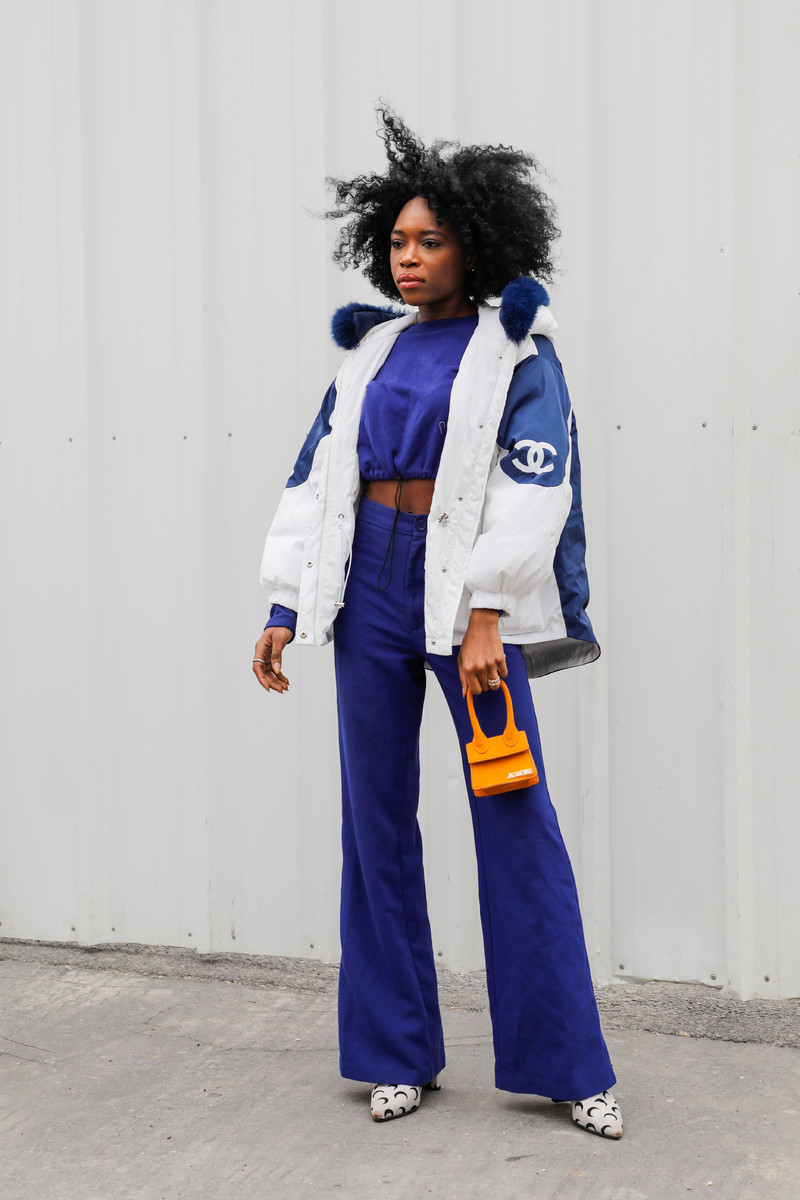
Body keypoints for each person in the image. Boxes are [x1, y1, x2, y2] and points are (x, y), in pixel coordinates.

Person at [252, 109, 622, 1139]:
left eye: (430, 241)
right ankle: (394, 1051)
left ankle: (566, 1066)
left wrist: (487, 610)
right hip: (367, 586)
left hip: (461, 595)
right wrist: (285, 603)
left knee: (512, 811)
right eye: (397, 242)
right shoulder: (368, 352)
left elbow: (533, 485)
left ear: (476, 247)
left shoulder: (517, 351)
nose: (406, 258)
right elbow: (316, 480)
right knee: (373, 819)